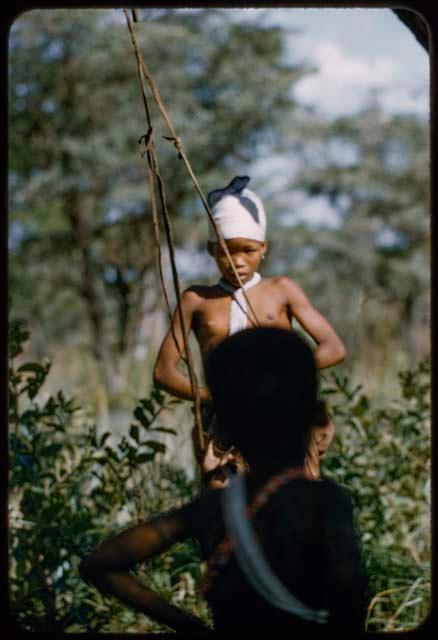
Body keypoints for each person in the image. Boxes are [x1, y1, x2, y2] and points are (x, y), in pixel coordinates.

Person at [80, 328, 368, 634]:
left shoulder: (211, 509)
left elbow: (99, 564)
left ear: (224, 430)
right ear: (319, 417)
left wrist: (191, 627)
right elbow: (349, 601)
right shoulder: (326, 502)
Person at [153, 175, 345, 483]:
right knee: (226, 509)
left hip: (282, 416)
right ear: (211, 249)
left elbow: (333, 347)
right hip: (223, 424)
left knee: (290, 503)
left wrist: (282, 378)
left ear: (264, 248)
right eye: (227, 251)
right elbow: (164, 372)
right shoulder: (197, 300)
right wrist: (212, 397)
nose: (237, 261)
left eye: (248, 250)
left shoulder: (281, 290)